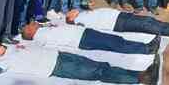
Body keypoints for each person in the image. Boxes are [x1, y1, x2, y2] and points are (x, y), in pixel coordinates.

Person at [0, 44, 160, 85]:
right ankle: (141, 78)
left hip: (62, 56)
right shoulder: (3, 63)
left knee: (102, 65)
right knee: (98, 72)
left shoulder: (12, 48)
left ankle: (140, 72)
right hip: (58, 67)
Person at [21, 21, 161, 55]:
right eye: (29, 25)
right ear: (30, 33)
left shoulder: (44, 28)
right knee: (114, 43)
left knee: (115, 39)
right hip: (81, 40)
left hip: (82, 33)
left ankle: (145, 45)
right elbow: (40, 49)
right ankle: (147, 49)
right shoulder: (39, 38)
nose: (32, 23)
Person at [66, 8, 169, 38]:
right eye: (70, 12)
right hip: (115, 23)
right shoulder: (79, 21)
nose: (72, 10)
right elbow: (80, 30)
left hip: (118, 15)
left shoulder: (84, 14)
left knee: (148, 20)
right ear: (71, 18)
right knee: (147, 25)